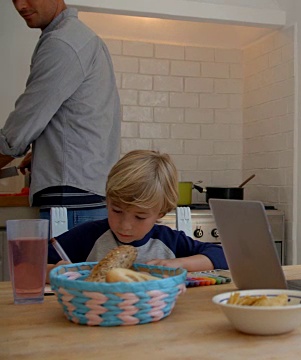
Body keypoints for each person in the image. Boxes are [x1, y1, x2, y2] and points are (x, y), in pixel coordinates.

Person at [0, 0, 120, 228]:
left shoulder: (62, 43)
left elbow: (19, 132)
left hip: (71, 202)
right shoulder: (82, 38)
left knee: (60, 266)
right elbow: (81, 117)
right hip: (85, 196)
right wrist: (47, 153)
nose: (20, 6)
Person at [46, 150, 227, 275]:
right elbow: (28, 264)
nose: (125, 225)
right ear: (107, 201)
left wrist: (179, 263)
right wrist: (53, 272)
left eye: (140, 217)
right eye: (116, 210)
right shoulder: (89, 236)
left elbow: (223, 256)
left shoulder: (168, 241)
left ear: (161, 213)